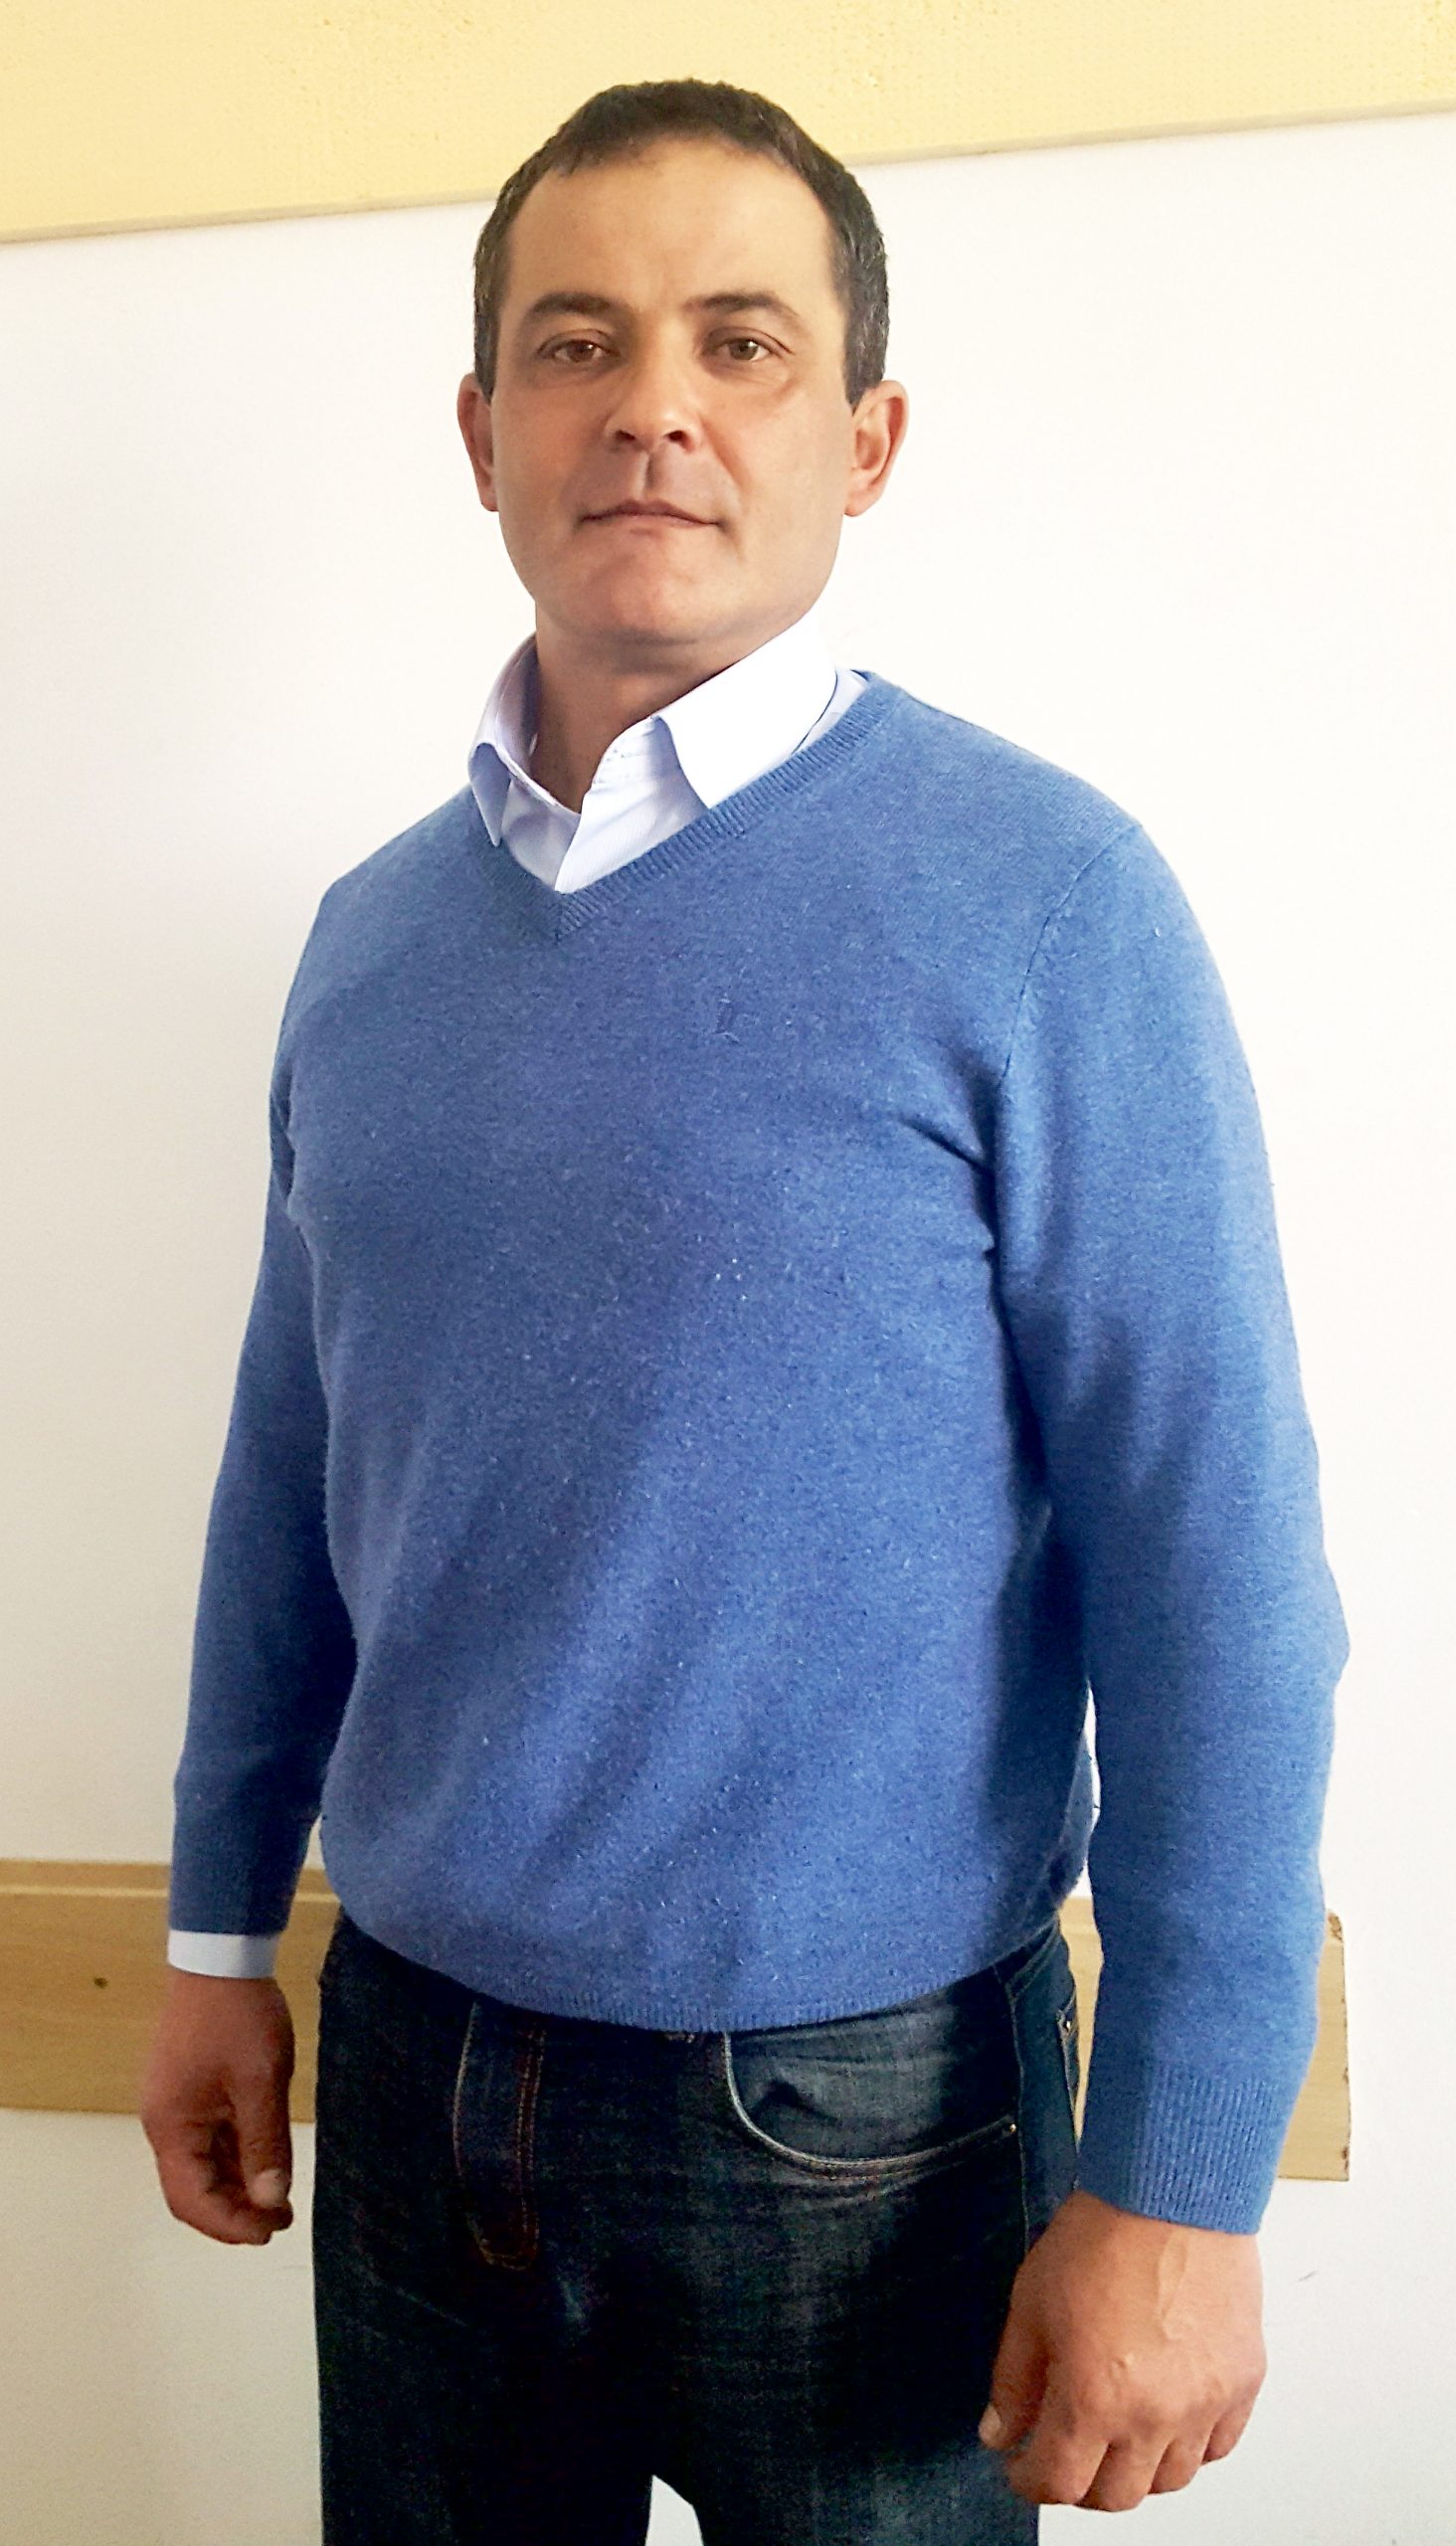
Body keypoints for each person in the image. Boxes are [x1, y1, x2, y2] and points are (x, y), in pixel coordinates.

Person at [140, 77, 1349, 2543]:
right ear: (484, 433)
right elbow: (295, 1477)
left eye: (742, 342)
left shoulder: (1047, 903)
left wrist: (1184, 2174)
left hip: (864, 2114)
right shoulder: (370, 942)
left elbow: (1215, 1566)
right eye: (576, 343)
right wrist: (209, 1924)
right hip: (414, 2069)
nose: (653, 405)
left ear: (865, 438)